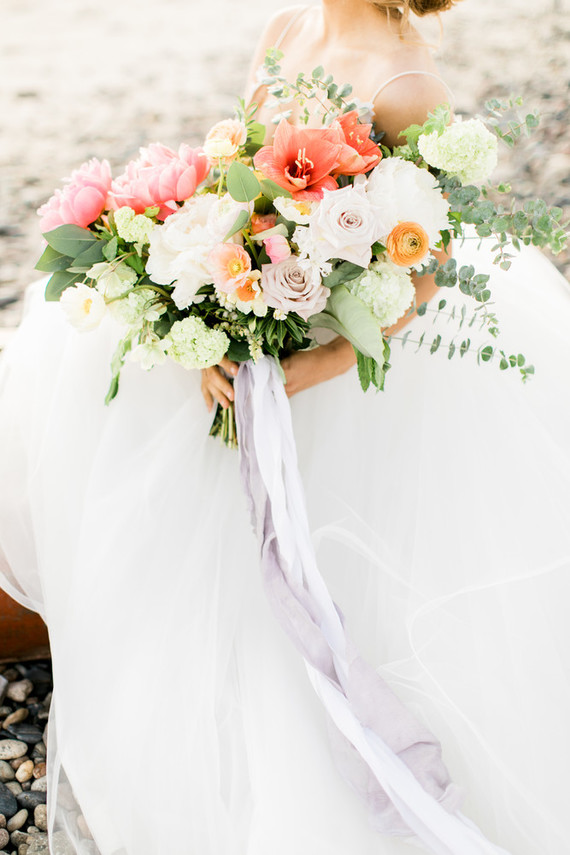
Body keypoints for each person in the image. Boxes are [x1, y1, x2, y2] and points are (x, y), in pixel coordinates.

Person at [0, 2, 569, 854]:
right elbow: (234, 177)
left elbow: (424, 272)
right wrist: (204, 315)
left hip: (355, 341)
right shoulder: (289, 26)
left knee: (334, 561)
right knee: (84, 351)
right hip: (260, 303)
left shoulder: (408, 82)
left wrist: (320, 361)